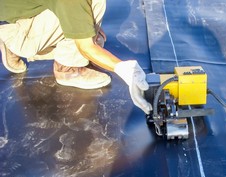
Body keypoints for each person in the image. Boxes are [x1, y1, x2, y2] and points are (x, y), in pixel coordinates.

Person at [0, 0, 152, 114]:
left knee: (89, 25)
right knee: (94, 6)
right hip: (16, 29)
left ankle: (12, 40)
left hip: (13, 13)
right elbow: (86, 48)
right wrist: (124, 69)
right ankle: (67, 68)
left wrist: (86, 24)